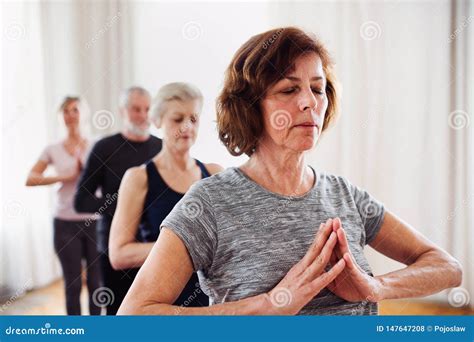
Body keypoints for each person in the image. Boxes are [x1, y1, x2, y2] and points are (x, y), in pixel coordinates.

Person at [118, 27, 463, 315]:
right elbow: (136, 315)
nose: (310, 102)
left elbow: (447, 267)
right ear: (250, 107)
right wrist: (269, 304)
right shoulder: (210, 203)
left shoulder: (345, 195)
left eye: (317, 88)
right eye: (288, 89)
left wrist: (376, 286)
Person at [109, 82, 223, 308]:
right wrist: (186, 248)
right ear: (158, 120)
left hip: (208, 303)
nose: (187, 127)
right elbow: (119, 254)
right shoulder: (138, 178)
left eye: (193, 118)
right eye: (178, 119)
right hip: (161, 302)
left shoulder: (214, 174)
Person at [74, 87, 162, 315]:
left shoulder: (162, 148)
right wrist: (126, 205)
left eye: (147, 109)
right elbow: (81, 201)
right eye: (136, 109)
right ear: (122, 111)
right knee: (118, 312)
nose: (143, 115)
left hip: (156, 247)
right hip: (115, 250)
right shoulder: (104, 148)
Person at [26, 96, 101, 315]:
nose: (70, 115)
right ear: (60, 117)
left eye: (75, 109)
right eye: (65, 111)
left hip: (94, 222)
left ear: (84, 114)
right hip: (65, 223)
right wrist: (64, 176)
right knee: (73, 283)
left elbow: (112, 178)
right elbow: (30, 178)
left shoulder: (97, 146)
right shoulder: (52, 149)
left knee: (97, 283)